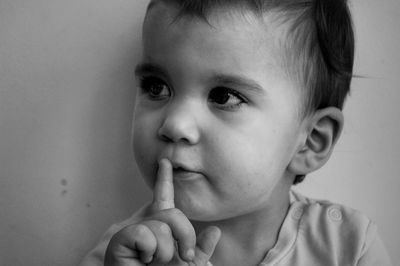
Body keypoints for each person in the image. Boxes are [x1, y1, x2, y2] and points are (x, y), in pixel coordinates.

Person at [80, 0, 392, 265]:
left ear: (309, 142)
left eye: (224, 97)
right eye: (156, 87)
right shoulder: (125, 253)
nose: (175, 125)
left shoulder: (350, 249)